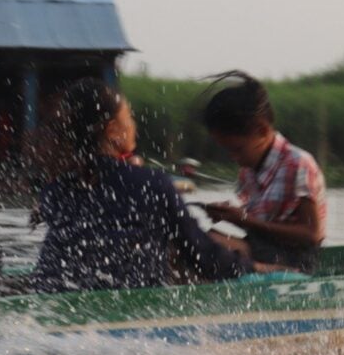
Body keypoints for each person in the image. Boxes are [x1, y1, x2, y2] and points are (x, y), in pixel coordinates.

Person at [32, 79, 253, 293]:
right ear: (113, 131)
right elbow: (202, 256)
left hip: (53, 295)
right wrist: (249, 266)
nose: (134, 125)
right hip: (126, 309)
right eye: (129, 117)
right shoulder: (152, 184)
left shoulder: (54, 191)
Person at [201, 71, 326, 274]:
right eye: (228, 151)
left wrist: (243, 220)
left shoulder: (298, 164)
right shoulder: (249, 171)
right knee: (194, 239)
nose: (234, 157)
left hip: (293, 260)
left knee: (206, 243)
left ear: (261, 130)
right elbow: (259, 225)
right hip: (259, 249)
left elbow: (311, 234)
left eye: (237, 149)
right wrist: (232, 216)